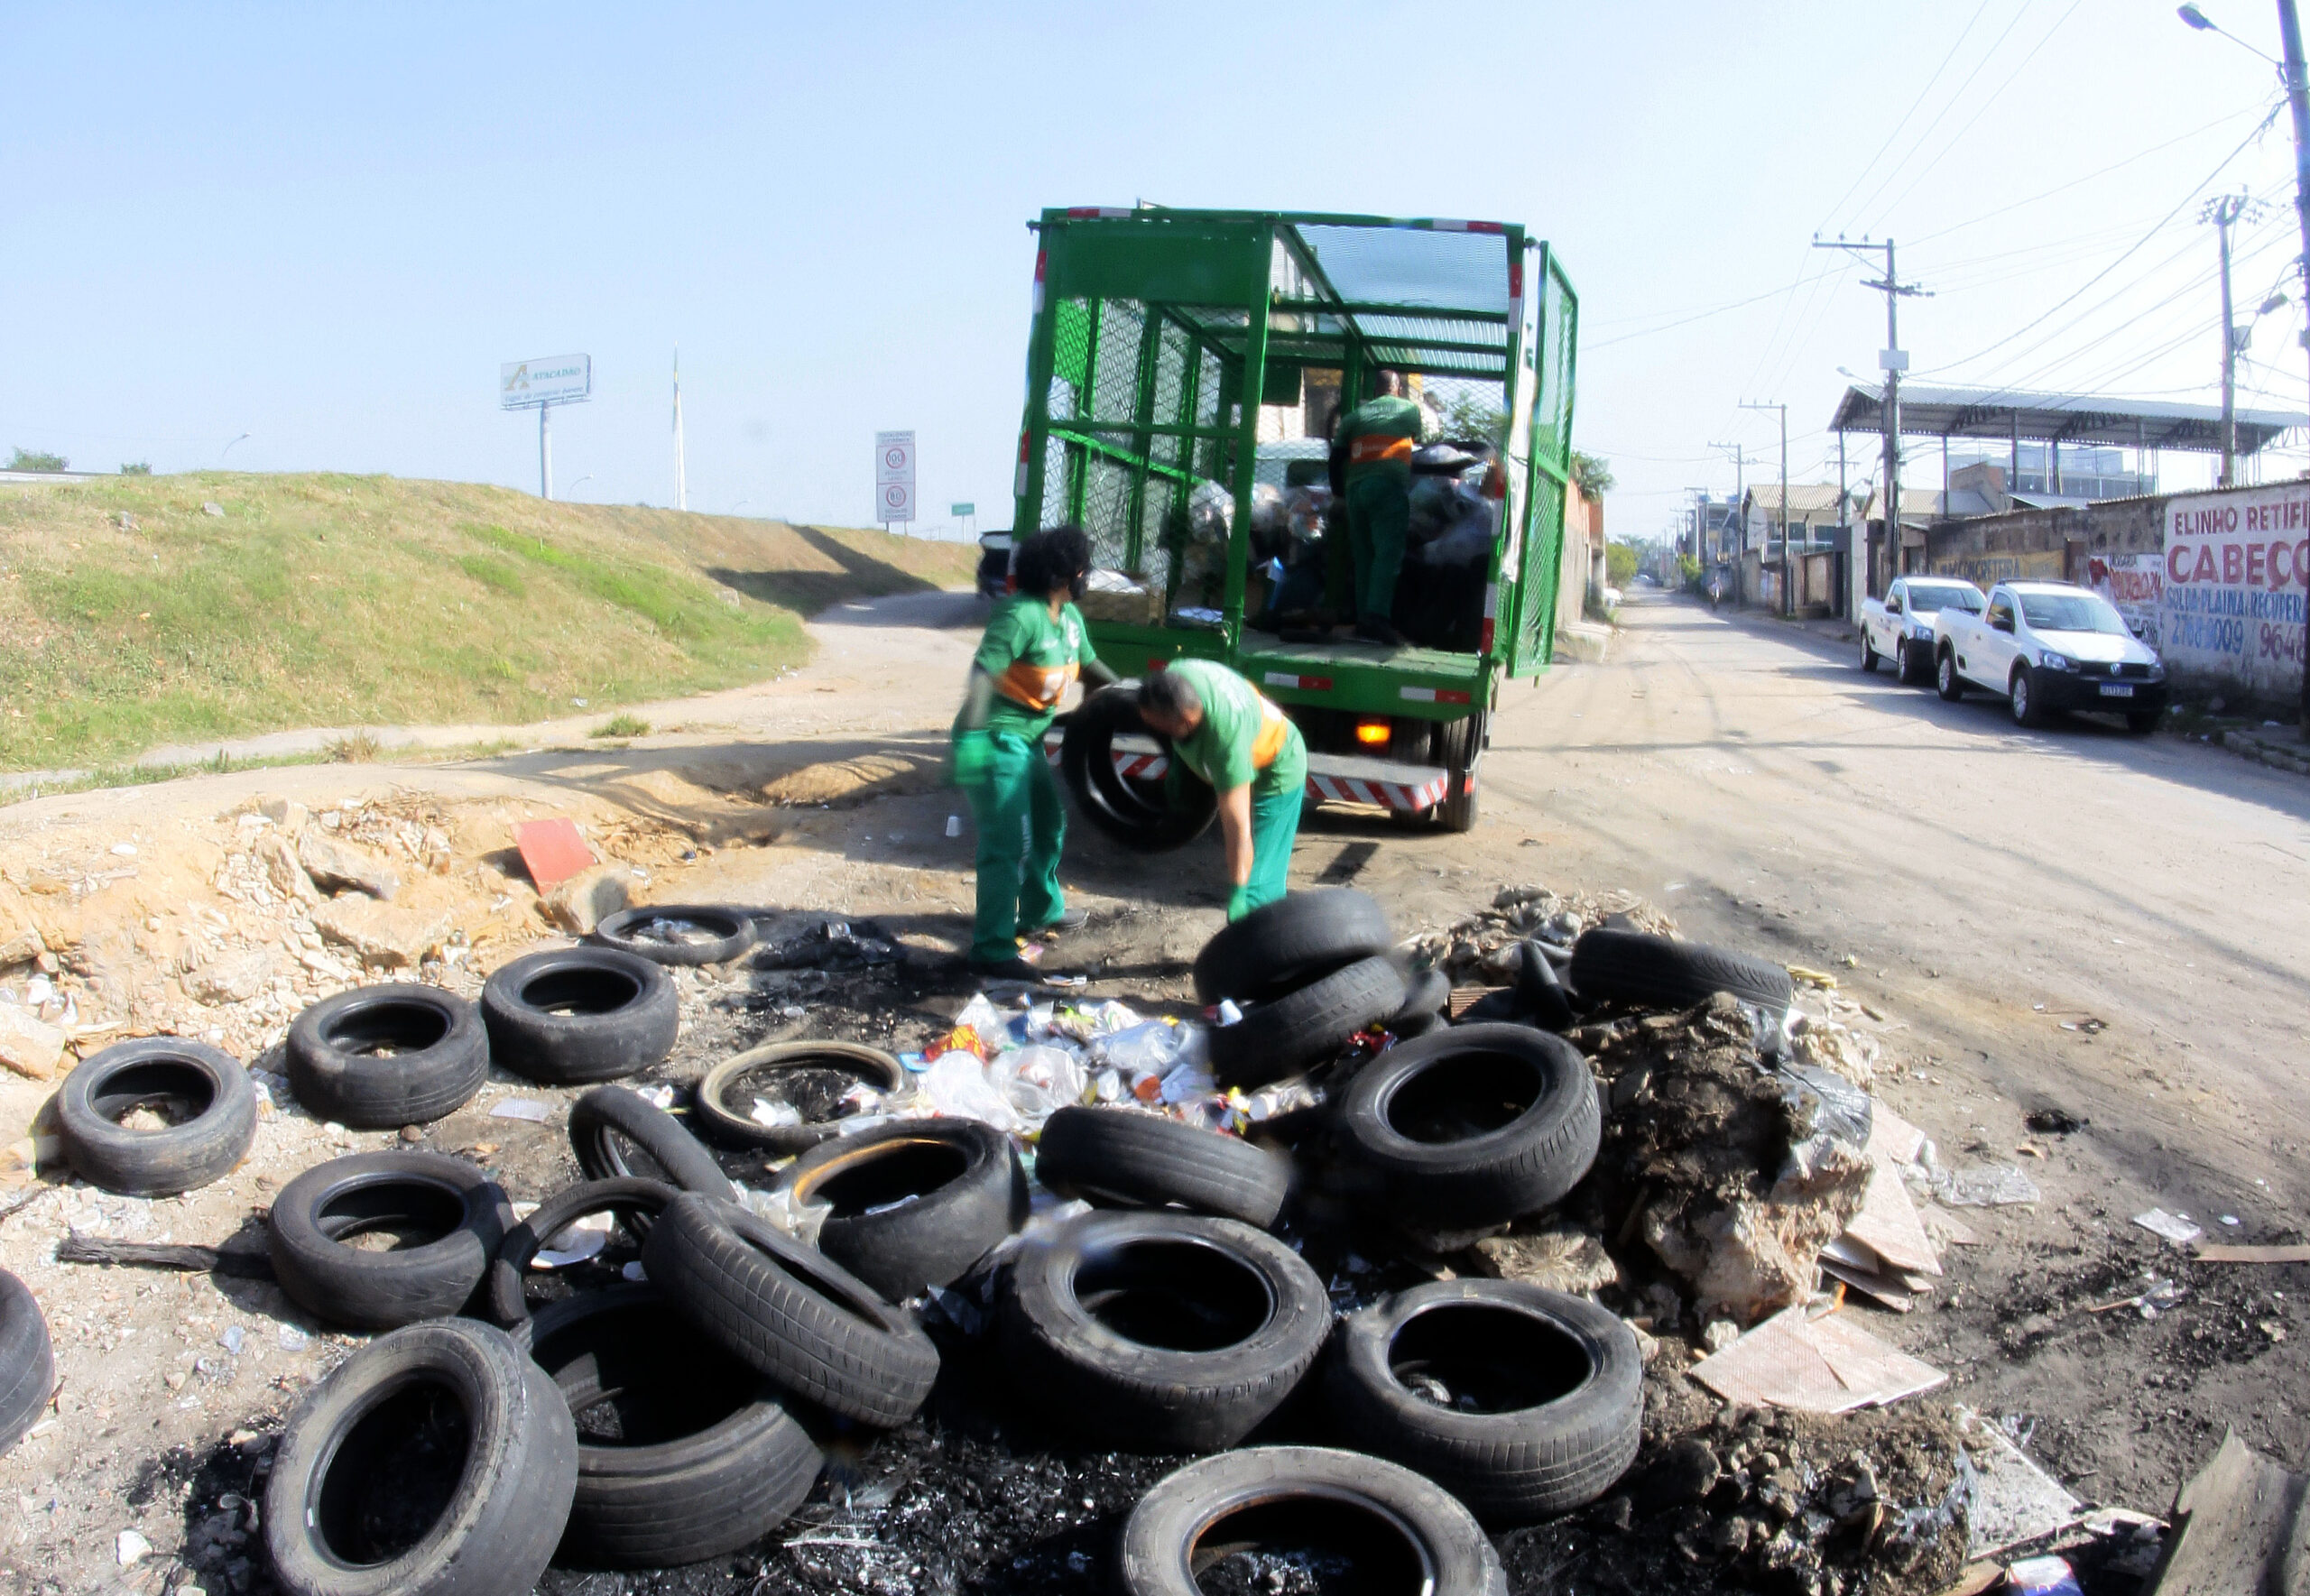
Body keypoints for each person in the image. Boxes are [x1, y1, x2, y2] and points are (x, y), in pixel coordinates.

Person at [951, 525, 1117, 981]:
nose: (1087, 575)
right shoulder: (1019, 615)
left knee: (1049, 823)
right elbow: (983, 675)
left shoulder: (1068, 620)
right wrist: (970, 744)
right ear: (1066, 572)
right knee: (1005, 843)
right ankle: (991, 947)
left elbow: (1089, 668)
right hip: (991, 737)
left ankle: (1039, 910)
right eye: (1083, 567)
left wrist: (1129, 695)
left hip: (1028, 740)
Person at [1136, 660, 1306, 920]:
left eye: (1163, 729)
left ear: (1189, 721)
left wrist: (1238, 891)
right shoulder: (1175, 679)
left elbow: (1237, 827)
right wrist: (1181, 767)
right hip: (1242, 728)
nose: (1153, 732)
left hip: (1279, 764)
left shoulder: (1226, 743)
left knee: (1258, 885)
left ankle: (1261, 950)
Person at [1333, 370, 1424, 647]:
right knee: (1388, 554)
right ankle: (1376, 618)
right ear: (1396, 390)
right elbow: (1415, 440)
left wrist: (1338, 495)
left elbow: (1335, 457)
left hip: (1356, 491)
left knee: (1364, 556)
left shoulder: (1354, 417)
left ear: (1374, 391)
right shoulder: (1409, 410)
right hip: (1388, 487)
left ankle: (1363, 617)